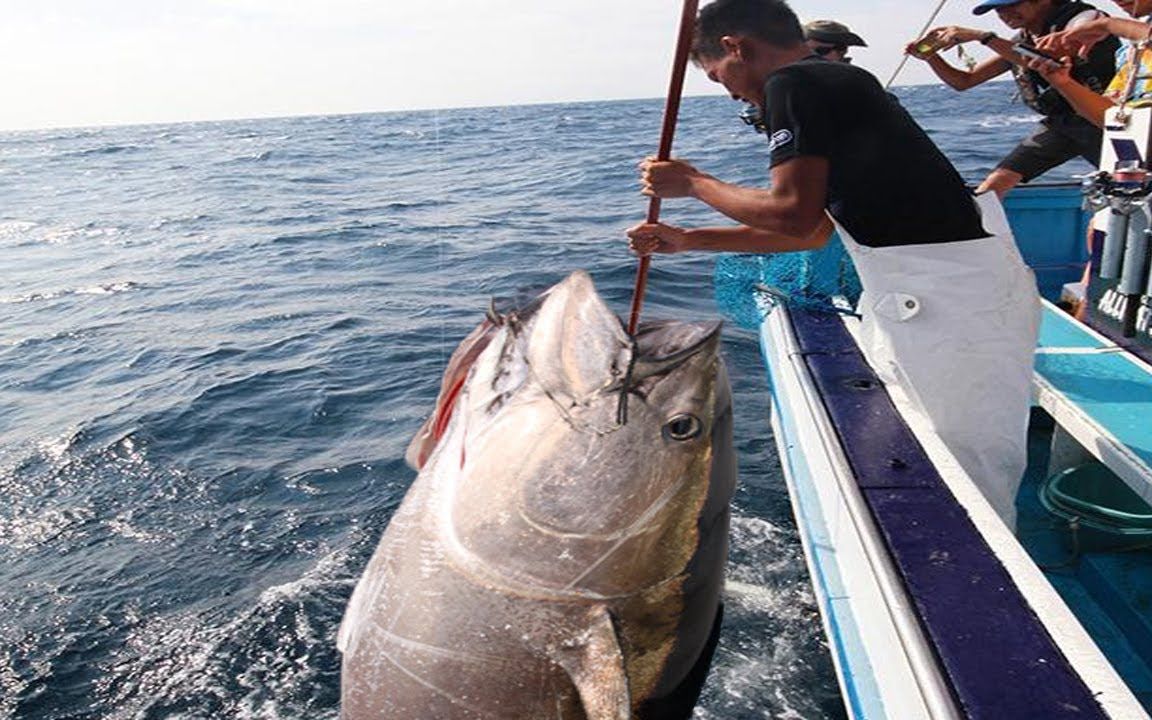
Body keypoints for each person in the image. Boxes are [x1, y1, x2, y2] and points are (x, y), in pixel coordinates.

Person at [626, 0, 1041, 529]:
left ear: (735, 47)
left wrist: (694, 184)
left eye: (717, 75)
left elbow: (794, 216)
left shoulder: (793, 85)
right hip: (950, 290)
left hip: (945, 303)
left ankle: (987, 598)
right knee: (960, 456)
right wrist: (686, 239)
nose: (729, 90)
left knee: (971, 478)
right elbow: (818, 230)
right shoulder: (839, 81)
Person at [906, 0, 1117, 196]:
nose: (1004, 14)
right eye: (998, 10)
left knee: (1129, 187)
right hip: (1063, 123)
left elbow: (1051, 59)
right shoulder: (1020, 43)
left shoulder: (1085, 19)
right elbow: (964, 81)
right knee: (995, 184)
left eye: (1011, 5)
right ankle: (979, 234)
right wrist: (930, 56)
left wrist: (983, 37)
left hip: (1105, 121)